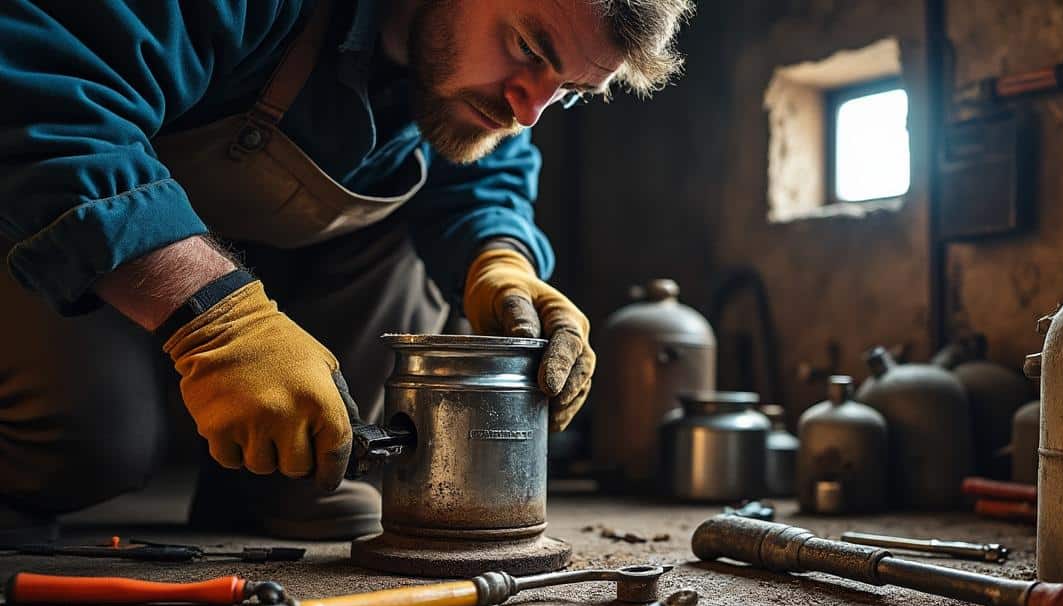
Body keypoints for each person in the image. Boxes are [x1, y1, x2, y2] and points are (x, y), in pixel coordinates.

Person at [0, 0, 694, 540]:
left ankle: (277, 475)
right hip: (38, 218)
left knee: (422, 258)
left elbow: (486, 177)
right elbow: (51, 103)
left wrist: (502, 267)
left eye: (567, 90)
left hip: (237, 259)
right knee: (87, 446)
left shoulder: (480, 76)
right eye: (529, 48)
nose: (529, 109)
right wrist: (219, 323)